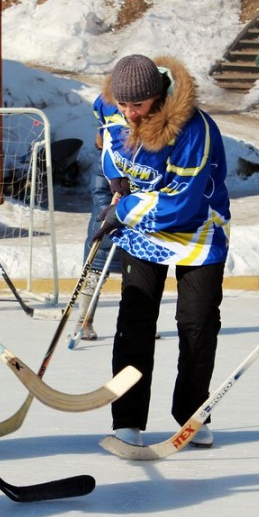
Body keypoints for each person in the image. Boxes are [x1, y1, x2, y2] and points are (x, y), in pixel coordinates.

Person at [93, 54, 230, 448]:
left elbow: (181, 204)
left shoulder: (193, 131)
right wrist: (116, 179)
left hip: (197, 229)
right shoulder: (116, 106)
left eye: (137, 105)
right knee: (134, 324)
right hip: (143, 229)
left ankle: (192, 415)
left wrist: (121, 209)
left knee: (198, 325)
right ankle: (128, 418)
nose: (129, 113)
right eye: (123, 104)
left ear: (158, 95)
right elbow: (108, 136)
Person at [77, 160, 123, 341]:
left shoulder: (145, 156)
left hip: (133, 228)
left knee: (136, 280)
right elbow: (99, 193)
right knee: (93, 277)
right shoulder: (106, 160)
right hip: (105, 228)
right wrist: (111, 210)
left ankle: (137, 324)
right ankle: (84, 322)